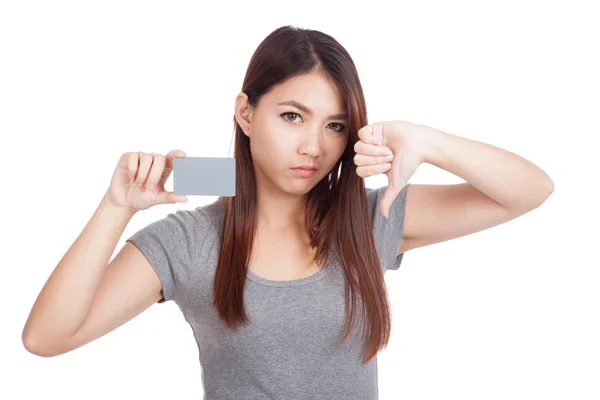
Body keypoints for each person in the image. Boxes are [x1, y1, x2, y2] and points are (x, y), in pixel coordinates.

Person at [21, 25, 554, 399]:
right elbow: (45, 338)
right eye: (293, 116)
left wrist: (427, 140)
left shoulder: (369, 219)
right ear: (245, 113)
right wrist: (118, 206)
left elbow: (531, 190)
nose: (313, 147)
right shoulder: (189, 241)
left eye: (335, 125)